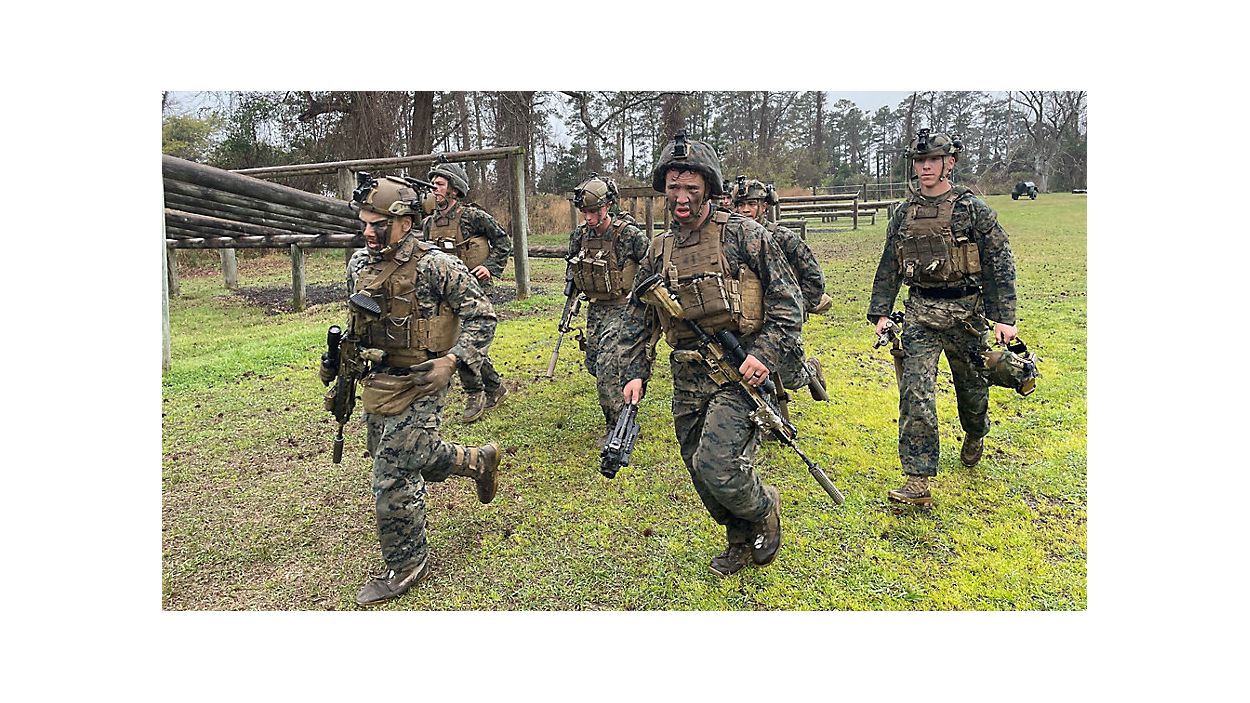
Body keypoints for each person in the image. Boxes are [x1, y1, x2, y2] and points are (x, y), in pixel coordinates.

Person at [617, 133, 806, 576]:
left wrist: (764, 354)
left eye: (691, 187)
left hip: (739, 373)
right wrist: (634, 372)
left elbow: (788, 302)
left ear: (709, 188)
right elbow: (638, 318)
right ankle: (739, 539)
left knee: (717, 464)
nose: (681, 198)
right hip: (687, 375)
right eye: (673, 187)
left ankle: (764, 507)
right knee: (698, 471)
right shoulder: (659, 250)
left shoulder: (744, 235)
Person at [321, 174, 503, 606]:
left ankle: (407, 564)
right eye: (364, 223)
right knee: (411, 453)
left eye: (378, 224)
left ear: (405, 223)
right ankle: (477, 461)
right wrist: (339, 361)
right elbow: (358, 321)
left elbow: (483, 317)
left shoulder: (437, 265)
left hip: (425, 378)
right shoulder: (359, 264)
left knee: (393, 472)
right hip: (380, 378)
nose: (368, 232)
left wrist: (451, 361)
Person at [867, 128, 1018, 506]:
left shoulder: (972, 209)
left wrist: (1004, 316)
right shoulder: (903, 213)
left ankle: (976, 431)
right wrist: (881, 311)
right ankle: (917, 480)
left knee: (972, 391)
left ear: (949, 162)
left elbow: (999, 261)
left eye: (933, 160)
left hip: (966, 315)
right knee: (915, 394)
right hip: (921, 314)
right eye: (920, 161)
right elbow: (890, 263)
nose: (926, 167)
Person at [422, 158, 513, 423]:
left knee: (466, 338)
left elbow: (503, 241)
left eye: (440, 184)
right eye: (433, 184)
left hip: (475, 289)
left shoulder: (473, 217)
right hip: (444, 293)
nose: (434, 189)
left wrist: (490, 267)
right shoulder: (428, 223)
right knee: (455, 340)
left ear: (454, 189)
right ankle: (495, 387)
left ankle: (476, 393)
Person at [731, 177, 831, 416]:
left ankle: (811, 370)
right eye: (740, 204)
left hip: (779, 323)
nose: (745, 210)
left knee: (790, 377)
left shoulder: (784, 238)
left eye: (752, 204)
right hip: (744, 325)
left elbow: (814, 278)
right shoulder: (730, 239)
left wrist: (796, 308)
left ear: (764, 206)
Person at [565, 173, 651, 444]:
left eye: (594, 211)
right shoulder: (580, 236)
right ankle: (632, 383)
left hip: (623, 309)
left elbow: (652, 263)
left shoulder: (628, 235)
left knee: (606, 368)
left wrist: (641, 296)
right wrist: (571, 298)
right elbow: (572, 267)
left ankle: (618, 427)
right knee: (594, 363)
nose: (589, 217)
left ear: (608, 206)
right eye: (585, 212)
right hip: (596, 309)